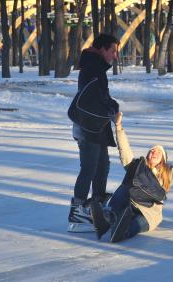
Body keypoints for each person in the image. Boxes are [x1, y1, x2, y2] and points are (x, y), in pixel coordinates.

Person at [89, 112, 173, 242]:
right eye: (152, 151)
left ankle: (123, 231)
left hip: (148, 213)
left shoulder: (167, 174)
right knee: (124, 188)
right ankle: (107, 221)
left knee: (136, 224)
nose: (154, 152)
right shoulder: (137, 167)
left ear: (163, 159)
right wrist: (118, 127)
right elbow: (125, 150)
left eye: (158, 152)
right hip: (130, 204)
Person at [68, 33, 120, 233]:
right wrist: (110, 107)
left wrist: (111, 105)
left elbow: (100, 96)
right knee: (89, 167)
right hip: (87, 126)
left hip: (95, 126)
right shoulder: (93, 67)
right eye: (113, 50)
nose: (115, 56)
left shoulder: (96, 66)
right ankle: (78, 210)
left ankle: (96, 205)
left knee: (102, 165)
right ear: (102, 49)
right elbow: (93, 98)